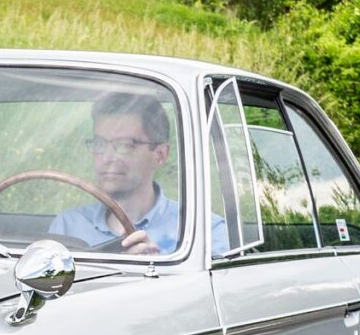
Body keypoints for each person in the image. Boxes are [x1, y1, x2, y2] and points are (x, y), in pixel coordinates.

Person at [46, 91, 228, 256]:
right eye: (99, 143)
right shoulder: (68, 225)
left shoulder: (204, 232)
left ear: (160, 155)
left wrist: (155, 267)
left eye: (125, 144)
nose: (107, 157)